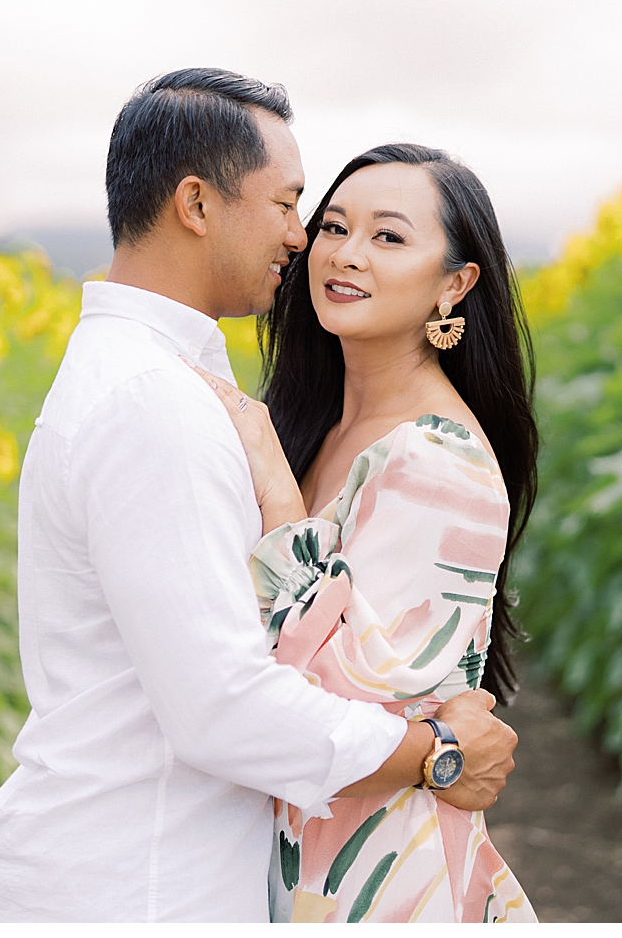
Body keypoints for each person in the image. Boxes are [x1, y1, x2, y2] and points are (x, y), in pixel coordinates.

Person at [0, 70, 518, 923]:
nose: (308, 240)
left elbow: (347, 667)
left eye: (385, 235)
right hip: (145, 878)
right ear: (197, 204)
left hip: (293, 866)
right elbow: (224, 703)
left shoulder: (178, 386)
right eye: (297, 207)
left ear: (456, 283)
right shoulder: (156, 399)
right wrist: (437, 751)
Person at [184, 143, 540, 922]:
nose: (345, 255)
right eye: (334, 227)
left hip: (376, 883)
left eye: (388, 237)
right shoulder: (319, 423)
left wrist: (277, 490)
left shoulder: (433, 459)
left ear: (456, 283)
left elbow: (348, 712)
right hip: (296, 859)